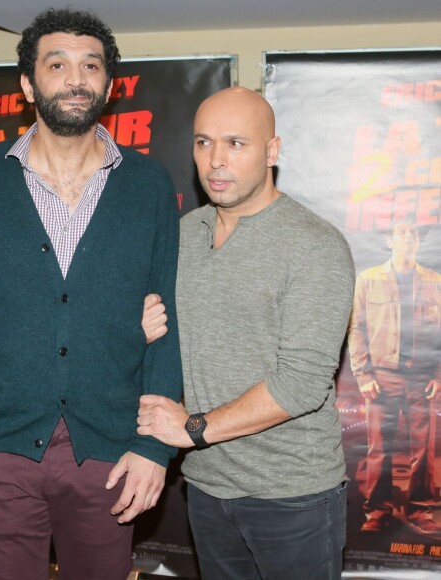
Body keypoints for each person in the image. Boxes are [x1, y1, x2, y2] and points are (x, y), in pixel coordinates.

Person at [0, 8, 182, 580]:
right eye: (57, 64)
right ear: (28, 84)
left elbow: (171, 325)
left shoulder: (148, 185)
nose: (76, 79)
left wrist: (154, 448)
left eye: (90, 66)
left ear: (108, 84)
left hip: (111, 446)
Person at [138, 87, 355, 580]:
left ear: (272, 151)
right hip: (207, 488)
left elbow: (300, 383)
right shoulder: (184, 232)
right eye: (203, 142)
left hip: (292, 495)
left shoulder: (314, 246)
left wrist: (192, 428)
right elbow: (164, 337)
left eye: (237, 143)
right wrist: (141, 329)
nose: (216, 160)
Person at [348, 222, 440, 535]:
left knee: (422, 451)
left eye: (413, 234)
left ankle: (419, 509)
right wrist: (364, 375)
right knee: (379, 449)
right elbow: (356, 329)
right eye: (402, 233)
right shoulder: (368, 279)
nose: (408, 239)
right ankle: (377, 511)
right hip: (381, 379)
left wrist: (439, 376)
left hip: (420, 379)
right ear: (390, 240)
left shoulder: (434, 282)